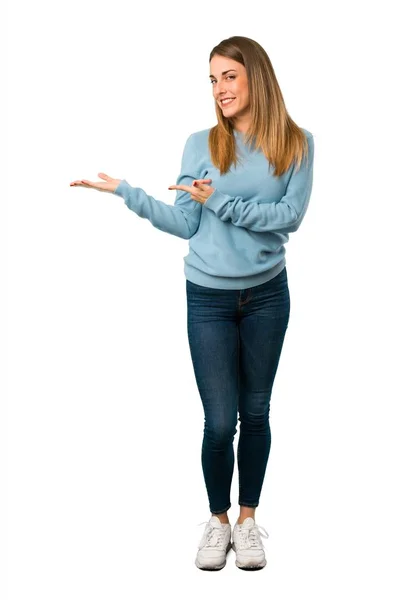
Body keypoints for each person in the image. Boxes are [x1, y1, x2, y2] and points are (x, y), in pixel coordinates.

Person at [70, 35, 314, 572]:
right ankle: (218, 521)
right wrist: (125, 192)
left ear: (257, 77)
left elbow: (288, 218)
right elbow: (185, 222)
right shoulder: (199, 144)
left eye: (229, 75)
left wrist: (221, 200)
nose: (219, 88)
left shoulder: (297, 143)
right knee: (219, 420)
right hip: (207, 296)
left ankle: (248, 523)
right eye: (212, 79)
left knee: (256, 411)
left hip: (268, 295)